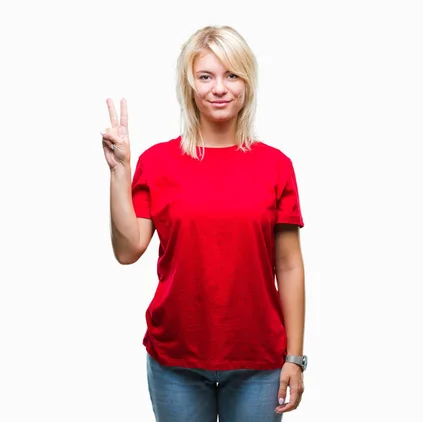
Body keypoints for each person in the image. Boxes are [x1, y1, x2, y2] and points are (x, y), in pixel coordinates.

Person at [100, 25, 307, 422]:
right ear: (189, 85)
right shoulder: (157, 163)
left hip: (259, 360)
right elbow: (128, 251)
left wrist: (295, 357)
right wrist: (120, 172)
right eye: (206, 76)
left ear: (248, 82)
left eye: (232, 75)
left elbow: (290, 266)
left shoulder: (276, 166)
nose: (219, 88)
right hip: (175, 358)